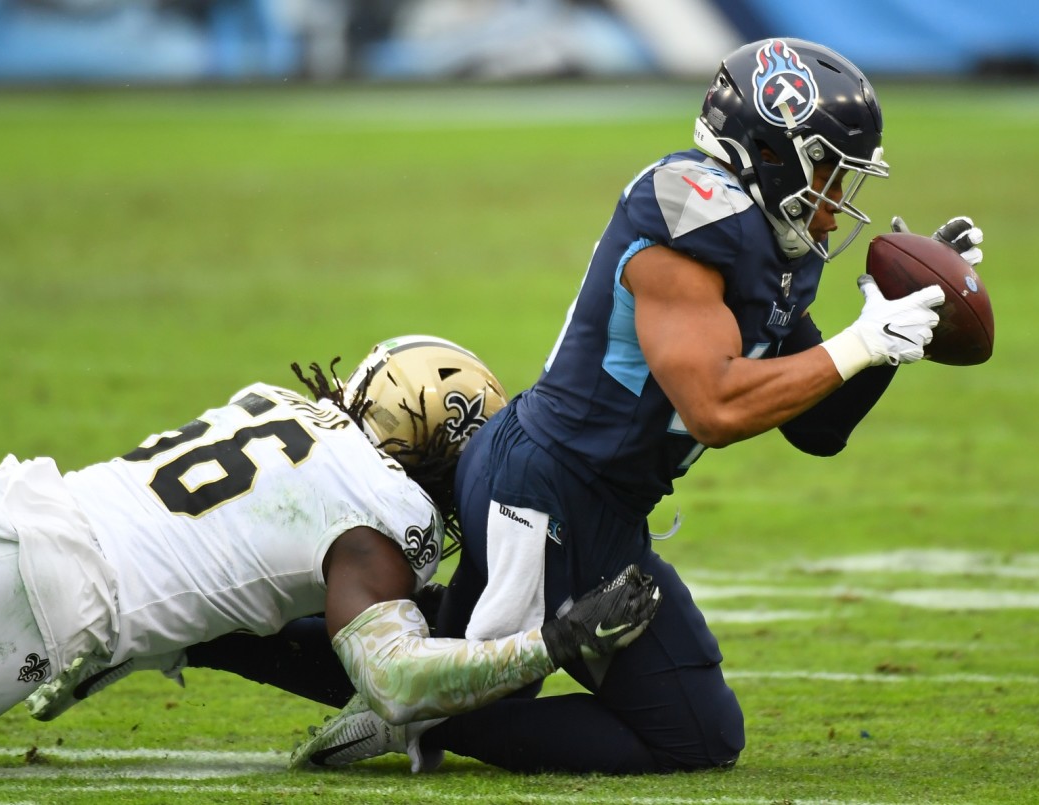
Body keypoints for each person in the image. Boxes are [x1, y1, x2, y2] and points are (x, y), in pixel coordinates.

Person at [290, 38, 985, 773]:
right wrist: (861, 343)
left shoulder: (771, 244)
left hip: (602, 503)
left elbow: (819, 426)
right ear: (772, 150)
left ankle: (421, 695)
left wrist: (901, 326)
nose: (838, 201)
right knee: (467, 690)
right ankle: (299, 664)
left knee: (700, 733)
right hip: (543, 490)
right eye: (828, 171)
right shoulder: (691, 213)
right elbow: (713, 404)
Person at [0, 335, 661, 774]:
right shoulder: (380, 518)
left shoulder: (281, 407)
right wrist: (552, 642)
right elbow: (395, 679)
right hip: (25, 604)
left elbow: (203, 554)